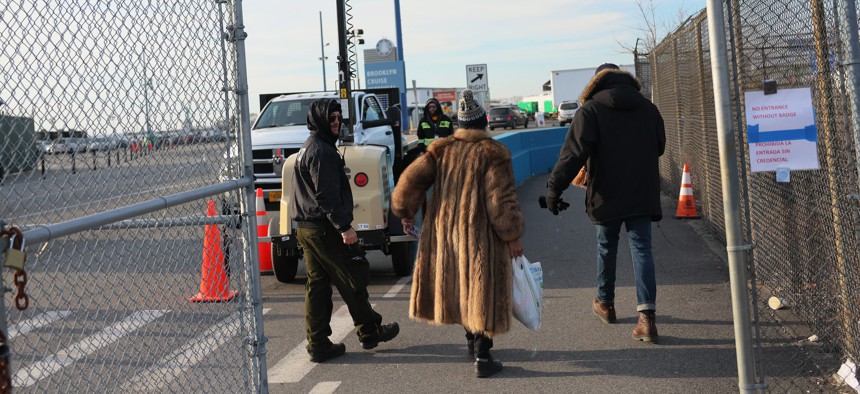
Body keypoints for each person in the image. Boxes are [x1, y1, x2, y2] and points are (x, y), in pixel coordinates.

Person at [392, 89, 525, 378]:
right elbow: (500, 200)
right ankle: (483, 356)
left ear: (460, 125)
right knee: (482, 285)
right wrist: (512, 235)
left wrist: (405, 212)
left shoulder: (441, 150)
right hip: (479, 234)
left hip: (444, 232)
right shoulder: (493, 153)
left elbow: (409, 182)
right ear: (483, 122)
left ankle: (470, 340)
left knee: (459, 283)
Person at [543, 63, 666, 343]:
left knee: (606, 247)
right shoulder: (648, 108)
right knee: (642, 250)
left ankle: (606, 304)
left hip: (606, 194)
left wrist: (554, 190)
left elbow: (572, 154)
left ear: (596, 83)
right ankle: (647, 319)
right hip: (641, 192)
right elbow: (660, 146)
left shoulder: (590, 111)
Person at [290, 98, 400, 362]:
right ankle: (370, 332)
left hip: (306, 227)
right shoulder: (322, 152)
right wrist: (344, 227)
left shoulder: (308, 147)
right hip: (323, 228)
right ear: (319, 121)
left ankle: (318, 344)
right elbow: (326, 196)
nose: (337, 122)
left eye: (339, 117)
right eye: (332, 118)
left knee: (317, 286)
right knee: (352, 279)